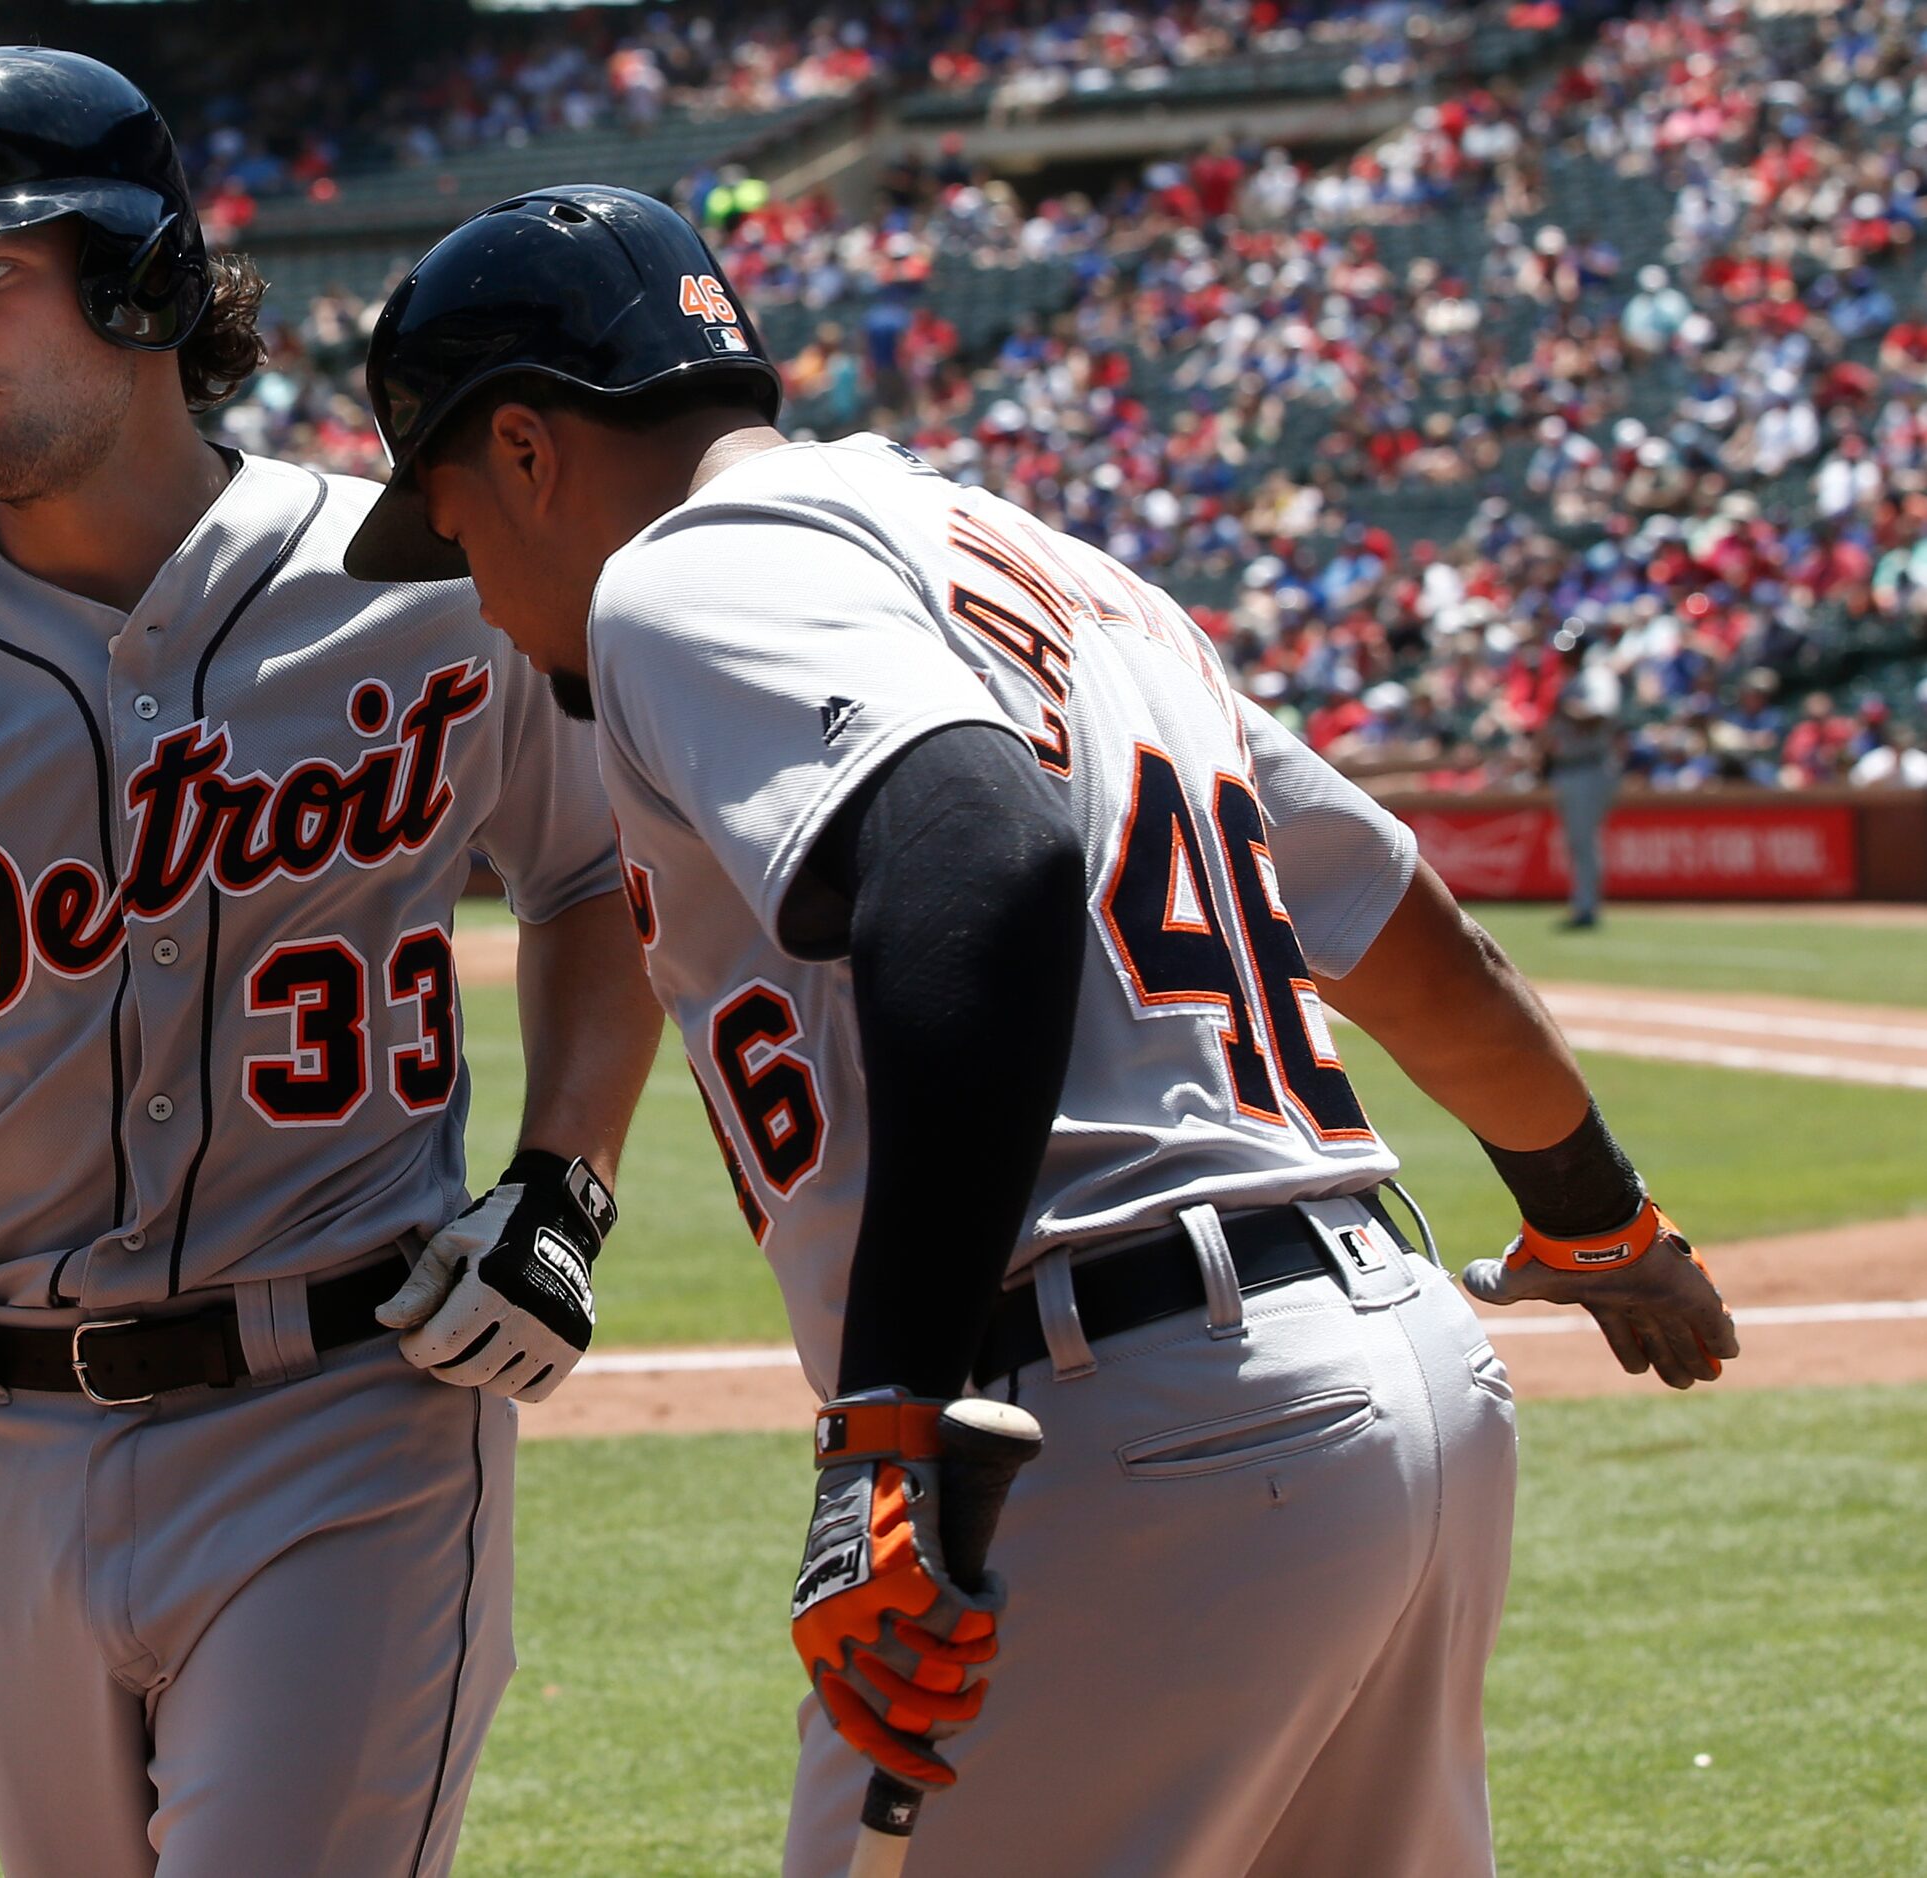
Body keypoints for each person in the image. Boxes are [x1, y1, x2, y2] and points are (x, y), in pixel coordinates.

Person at [347, 185, 1739, 1878]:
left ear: (523, 451)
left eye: (449, 522)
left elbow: (971, 849)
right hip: (1396, 1379)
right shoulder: (1056, 577)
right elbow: (1392, 926)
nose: (475, 594)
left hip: (1120, 1421)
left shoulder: (683, 575)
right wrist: (1584, 1199)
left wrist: (886, 1417)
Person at [0, 53, 660, 1878]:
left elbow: (592, 873)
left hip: (353, 1403)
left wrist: (561, 1186)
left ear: (143, 280)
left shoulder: (413, 578)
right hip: (4, 1439)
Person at [1538, 626, 1623, 929]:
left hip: (1591, 766)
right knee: (1575, 841)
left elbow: (1599, 715)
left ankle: (1588, 908)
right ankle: (1582, 903)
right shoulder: (1567, 683)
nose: (1564, 656)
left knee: (1584, 840)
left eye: (1570, 650)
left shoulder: (1596, 677)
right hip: (1568, 767)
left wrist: (1566, 708)